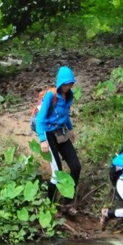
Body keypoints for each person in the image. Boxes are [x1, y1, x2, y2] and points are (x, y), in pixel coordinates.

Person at [36, 66, 82, 215]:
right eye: (66, 84)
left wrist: (70, 129)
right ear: (60, 83)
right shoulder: (51, 95)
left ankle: (67, 203)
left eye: (70, 84)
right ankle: (51, 204)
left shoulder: (70, 95)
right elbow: (40, 120)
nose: (68, 87)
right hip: (49, 134)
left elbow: (65, 114)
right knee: (57, 172)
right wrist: (43, 140)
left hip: (61, 133)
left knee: (76, 166)